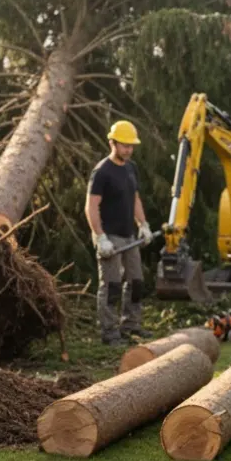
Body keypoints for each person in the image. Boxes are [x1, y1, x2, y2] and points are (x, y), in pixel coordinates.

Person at [85, 120, 153, 345]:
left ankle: (131, 325)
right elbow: (91, 207)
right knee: (112, 285)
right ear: (112, 143)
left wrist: (143, 225)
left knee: (136, 282)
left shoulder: (131, 168)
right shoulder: (102, 172)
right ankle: (109, 332)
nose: (129, 150)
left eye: (131, 146)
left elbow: (134, 199)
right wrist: (100, 237)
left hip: (128, 235)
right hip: (109, 236)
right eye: (124, 145)